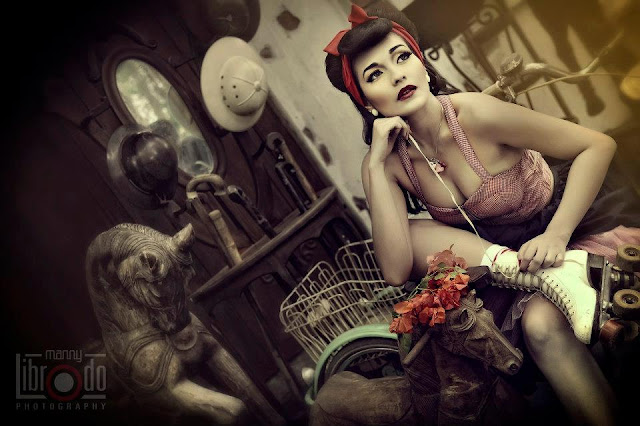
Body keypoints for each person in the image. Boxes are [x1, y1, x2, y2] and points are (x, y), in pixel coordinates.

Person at [323, 4, 640, 425]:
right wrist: (377, 164)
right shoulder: (387, 162)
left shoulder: (473, 114)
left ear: (421, 62)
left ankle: (563, 275)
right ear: (365, 101)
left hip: (565, 225)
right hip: (506, 265)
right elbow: (396, 269)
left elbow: (597, 146)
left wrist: (557, 235)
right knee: (418, 233)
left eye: (402, 57)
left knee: (541, 326)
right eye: (375, 74)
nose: (397, 75)